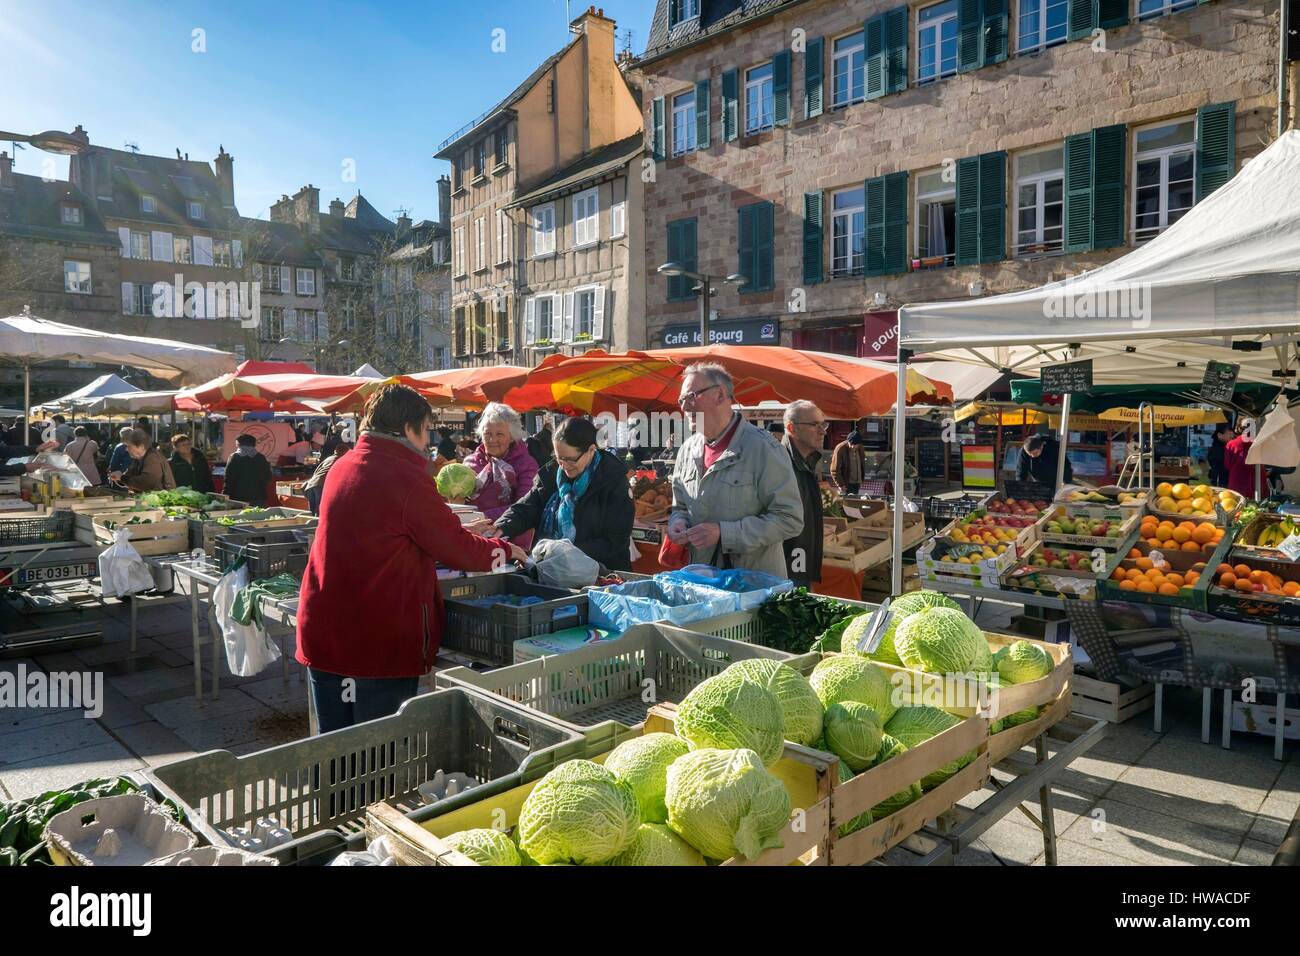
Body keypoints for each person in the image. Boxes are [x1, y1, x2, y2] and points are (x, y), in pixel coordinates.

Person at [295, 384, 529, 733]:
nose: (427, 441)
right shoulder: (405, 477)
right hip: (376, 639)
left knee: (334, 755)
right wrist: (506, 552)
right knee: (374, 758)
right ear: (408, 428)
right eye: (425, 430)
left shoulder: (343, 465)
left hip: (325, 629)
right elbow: (457, 548)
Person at [666, 363, 803, 577]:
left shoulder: (764, 448)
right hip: (701, 583)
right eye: (681, 400)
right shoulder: (687, 450)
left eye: (691, 397)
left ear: (720, 395)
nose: (684, 407)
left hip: (752, 587)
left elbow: (790, 519)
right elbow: (680, 507)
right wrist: (678, 523)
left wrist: (723, 533)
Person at [492, 417, 634, 571]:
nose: (564, 466)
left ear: (591, 451)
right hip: (552, 571)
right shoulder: (550, 475)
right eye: (560, 459)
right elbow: (525, 509)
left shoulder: (614, 482)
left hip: (602, 574)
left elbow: (615, 541)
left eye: (570, 460)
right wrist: (500, 528)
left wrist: (563, 552)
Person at [463, 402, 540, 541]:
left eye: (499, 434)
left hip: (510, 540)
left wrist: (481, 517)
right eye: (487, 434)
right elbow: (460, 502)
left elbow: (524, 506)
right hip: (471, 539)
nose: (493, 440)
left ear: (511, 437)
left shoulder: (526, 465)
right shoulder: (470, 462)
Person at [781, 400, 828, 588]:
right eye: (814, 425)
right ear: (792, 428)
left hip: (798, 564)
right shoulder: (780, 464)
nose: (822, 431)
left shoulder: (805, 462)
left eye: (823, 424)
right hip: (784, 570)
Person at [110, 428, 176, 492]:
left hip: (158, 501)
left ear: (141, 446)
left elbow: (147, 482)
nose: (126, 449)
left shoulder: (152, 458)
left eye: (129, 446)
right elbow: (130, 478)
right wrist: (119, 477)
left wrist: (122, 478)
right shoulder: (137, 459)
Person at [224, 434, 274, 506]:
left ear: (238, 445)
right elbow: (268, 477)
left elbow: (228, 479)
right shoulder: (261, 457)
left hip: (238, 499)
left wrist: (224, 495)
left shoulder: (234, 457)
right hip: (259, 497)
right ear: (254, 445)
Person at [303, 441, 351, 515]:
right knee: (320, 513)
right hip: (320, 485)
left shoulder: (329, 458)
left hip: (311, 484)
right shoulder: (341, 460)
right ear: (345, 452)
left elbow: (317, 471)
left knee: (311, 514)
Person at [1224, 421, 1258, 498]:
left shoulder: (1231, 444)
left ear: (1239, 428)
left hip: (1237, 479)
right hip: (1257, 479)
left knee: (1237, 504)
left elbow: (1227, 465)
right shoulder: (1258, 442)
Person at [831, 430, 867, 495]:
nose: (853, 446)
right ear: (848, 442)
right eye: (851, 444)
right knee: (847, 503)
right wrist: (841, 485)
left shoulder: (860, 448)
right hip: (846, 484)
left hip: (857, 483)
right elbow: (834, 469)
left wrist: (861, 478)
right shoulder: (840, 448)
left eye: (856, 445)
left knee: (855, 503)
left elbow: (862, 463)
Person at [1207, 423, 1232, 488]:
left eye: (1231, 433)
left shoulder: (1222, 446)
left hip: (1221, 480)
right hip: (1220, 482)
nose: (1231, 436)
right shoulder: (1217, 449)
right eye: (1228, 433)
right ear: (1219, 435)